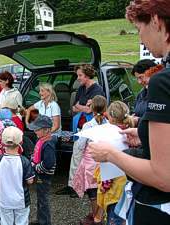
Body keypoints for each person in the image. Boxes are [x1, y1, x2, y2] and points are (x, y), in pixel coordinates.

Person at [88, 1, 170, 224]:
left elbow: (164, 177)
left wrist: (111, 155)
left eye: (138, 29)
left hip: (159, 208)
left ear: (155, 20)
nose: (140, 38)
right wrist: (144, 136)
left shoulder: (163, 81)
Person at [56, 64, 105, 196]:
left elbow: (91, 109)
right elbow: (73, 107)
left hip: (91, 130)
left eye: (80, 75)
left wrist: (81, 107)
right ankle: (73, 185)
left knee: (87, 160)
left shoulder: (97, 90)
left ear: (87, 75)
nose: (78, 78)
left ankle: (82, 188)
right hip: (79, 127)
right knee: (76, 156)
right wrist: (83, 107)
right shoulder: (81, 89)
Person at [95, 101, 134, 225]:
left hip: (114, 190)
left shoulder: (110, 136)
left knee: (113, 218)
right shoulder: (132, 133)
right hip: (129, 186)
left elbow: (107, 167)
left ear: (110, 117)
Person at [72, 95, 108, 225]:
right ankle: (99, 215)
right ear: (105, 108)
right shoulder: (108, 125)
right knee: (103, 190)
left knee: (92, 193)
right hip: (105, 162)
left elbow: (81, 145)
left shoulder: (88, 126)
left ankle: (96, 219)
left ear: (91, 109)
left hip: (90, 164)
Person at [0, 126, 35, 225]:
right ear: (20, 142)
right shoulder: (24, 161)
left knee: (6, 222)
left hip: (4, 199)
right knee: (22, 222)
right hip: (21, 200)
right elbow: (30, 181)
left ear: (3, 142)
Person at [28, 115, 57, 225]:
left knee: (43, 200)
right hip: (41, 175)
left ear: (46, 130)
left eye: (37, 129)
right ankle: (41, 220)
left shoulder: (48, 143)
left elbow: (49, 163)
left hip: (44, 176)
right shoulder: (42, 140)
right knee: (40, 198)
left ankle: (45, 222)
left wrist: (36, 167)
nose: (35, 131)